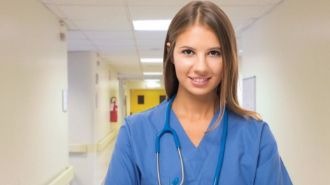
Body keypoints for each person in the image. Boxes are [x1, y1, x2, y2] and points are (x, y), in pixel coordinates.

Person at [105, 1, 293, 185]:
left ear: (228, 58)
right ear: (171, 53)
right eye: (188, 52)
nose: (201, 67)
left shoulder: (255, 136)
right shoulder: (135, 132)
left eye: (214, 53)